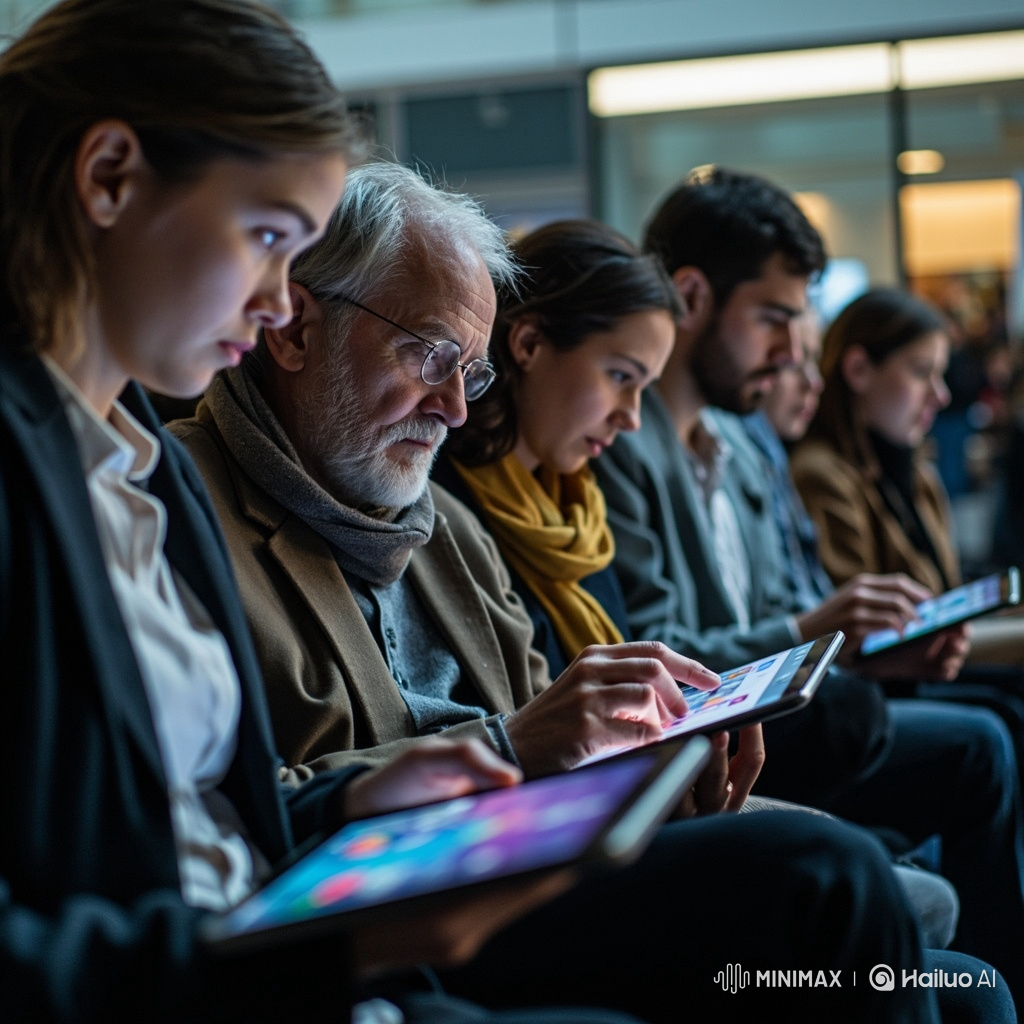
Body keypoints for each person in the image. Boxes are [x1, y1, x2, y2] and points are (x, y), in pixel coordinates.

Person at [171, 159, 965, 1023]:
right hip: (396, 924)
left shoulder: (442, 522)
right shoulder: (182, 510)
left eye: (469, 375)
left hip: (526, 855)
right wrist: (516, 746)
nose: (455, 410)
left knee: (963, 984)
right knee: (834, 869)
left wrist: (647, 752)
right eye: (432, 356)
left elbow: (544, 732)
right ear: (292, 331)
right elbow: (236, 816)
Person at [0, 3, 656, 1022]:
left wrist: (348, 805)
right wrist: (317, 948)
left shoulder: (129, 460)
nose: (273, 303)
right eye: (267, 237)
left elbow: (198, 822)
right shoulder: (95, 465)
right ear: (108, 177)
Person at [593, 165, 1024, 1005]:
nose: (795, 353)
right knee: (977, 743)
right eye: (775, 320)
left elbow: (774, 607)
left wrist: (850, 637)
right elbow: (665, 653)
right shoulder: (619, 447)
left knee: (979, 728)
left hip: (773, 712)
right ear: (691, 296)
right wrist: (813, 630)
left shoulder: (741, 444)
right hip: (726, 732)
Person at [436, 218, 680, 677]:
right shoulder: (439, 505)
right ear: (529, 343)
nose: (632, 418)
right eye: (621, 377)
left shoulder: (578, 507)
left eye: (644, 387)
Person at [790, 287, 1024, 664]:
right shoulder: (820, 473)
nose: (941, 395)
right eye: (921, 373)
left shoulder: (915, 470)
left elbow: (944, 595)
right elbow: (864, 638)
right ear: (858, 370)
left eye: (940, 375)